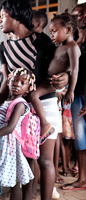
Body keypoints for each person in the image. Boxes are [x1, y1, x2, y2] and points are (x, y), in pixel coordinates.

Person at [0, 0, 70, 199]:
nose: (0, 20)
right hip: (19, 108)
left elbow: (59, 68)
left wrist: (66, 78)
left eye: (3, 16)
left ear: (16, 15)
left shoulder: (42, 41)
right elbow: (6, 81)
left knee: (44, 160)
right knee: (25, 159)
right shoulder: (4, 47)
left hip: (45, 103)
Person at [29, 12, 80, 142]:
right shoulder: (60, 45)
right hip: (47, 79)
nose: (52, 35)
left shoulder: (72, 47)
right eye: (51, 32)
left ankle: (45, 125)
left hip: (53, 82)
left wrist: (70, 90)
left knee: (34, 95)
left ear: (68, 30)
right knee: (32, 95)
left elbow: (74, 69)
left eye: (54, 31)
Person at [0, 68, 36, 200]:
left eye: (22, 83)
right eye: (15, 80)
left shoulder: (20, 104)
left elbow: (10, 128)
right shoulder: (6, 100)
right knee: (3, 176)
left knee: (13, 181)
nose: (17, 84)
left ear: (28, 89)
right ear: (9, 80)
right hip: (0, 140)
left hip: (6, 143)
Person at [61, 4, 86, 191]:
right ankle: (82, 180)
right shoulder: (74, 40)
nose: (82, 17)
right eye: (78, 15)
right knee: (80, 140)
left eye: (84, 13)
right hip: (77, 95)